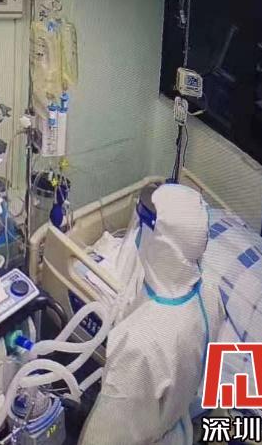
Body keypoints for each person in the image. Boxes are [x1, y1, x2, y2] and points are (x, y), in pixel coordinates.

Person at [80, 184, 224, 444]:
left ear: (162, 244)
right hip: (176, 429)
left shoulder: (142, 343)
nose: (137, 235)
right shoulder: (209, 296)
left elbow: (104, 437)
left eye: (143, 227)